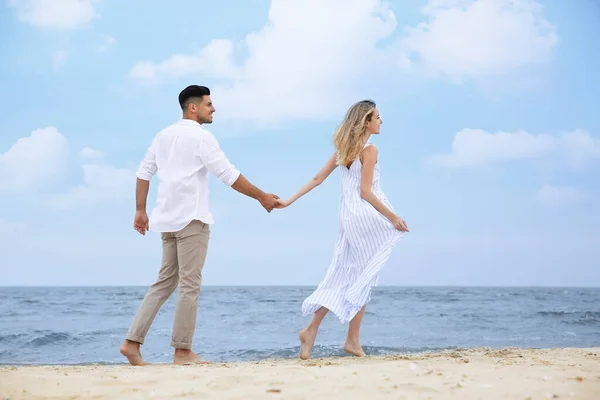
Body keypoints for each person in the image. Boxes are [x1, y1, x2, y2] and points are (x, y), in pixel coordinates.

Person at [119, 85, 279, 366]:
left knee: (164, 282)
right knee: (189, 285)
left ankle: (131, 343)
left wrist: (140, 211)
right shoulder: (201, 138)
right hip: (192, 220)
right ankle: (182, 352)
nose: (213, 109)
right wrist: (261, 197)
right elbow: (228, 175)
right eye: (209, 104)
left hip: (166, 221)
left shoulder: (162, 135)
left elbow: (143, 174)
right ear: (193, 107)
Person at [275, 100, 409, 360]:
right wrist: (394, 217)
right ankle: (352, 340)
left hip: (348, 218)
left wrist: (288, 201)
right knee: (364, 276)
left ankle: (312, 330)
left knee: (344, 275)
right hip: (365, 218)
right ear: (366, 122)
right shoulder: (370, 150)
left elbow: (316, 180)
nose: (381, 121)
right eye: (378, 117)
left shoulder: (343, 149)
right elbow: (366, 192)